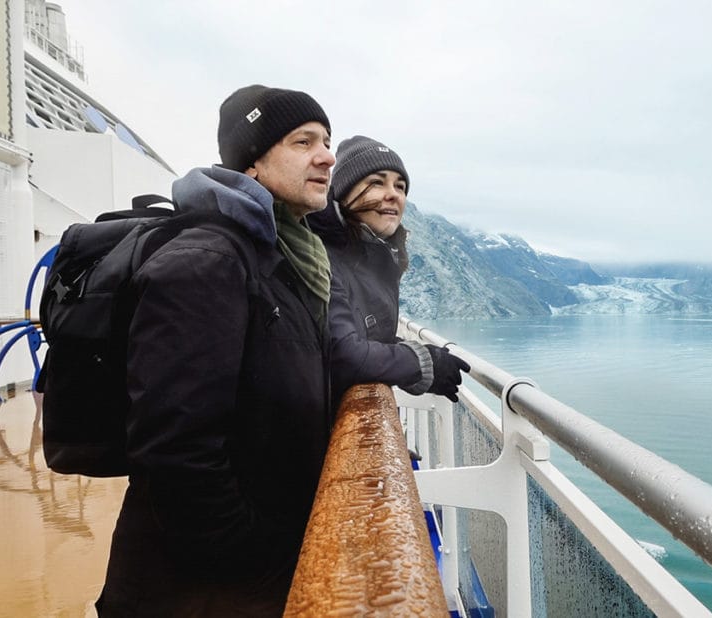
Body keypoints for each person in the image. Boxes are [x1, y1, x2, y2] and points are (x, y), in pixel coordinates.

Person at [96, 85, 335, 616]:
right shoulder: (207, 261)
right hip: (199, 587)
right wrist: (249, 557)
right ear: (251, 163)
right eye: (303, 141)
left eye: (327, 140)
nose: (326, 155)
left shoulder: (281, 259)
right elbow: (174, 450)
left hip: (245, 568)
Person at [308, 135, 469, 407]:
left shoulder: (375, 258)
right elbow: (342, 355)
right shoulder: (322, 255)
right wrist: (423, 363)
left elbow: (364, 336)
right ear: (344, 193)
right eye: (376, 182)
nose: (394, 194)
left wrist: (419, 359)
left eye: (401, 186)